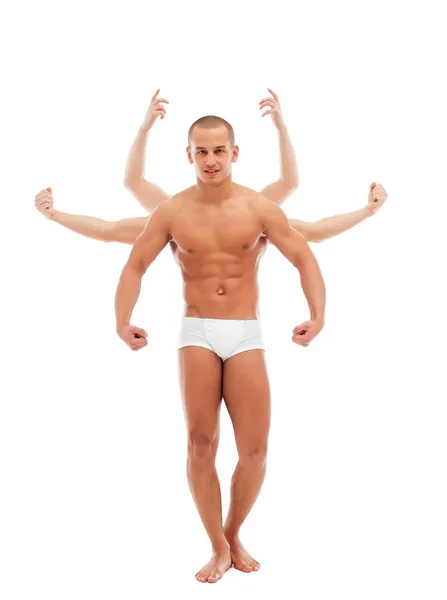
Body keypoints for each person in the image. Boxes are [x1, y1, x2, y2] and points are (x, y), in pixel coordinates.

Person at [34, 89, 388, 244]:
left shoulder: (253, 209)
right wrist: (55, 216)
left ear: (234, 153)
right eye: (201, 152)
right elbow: (117, 216)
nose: (211, 161)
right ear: (190, 156)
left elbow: (308, 222)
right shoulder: (174, 213)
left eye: (219, 151)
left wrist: (367, 212)